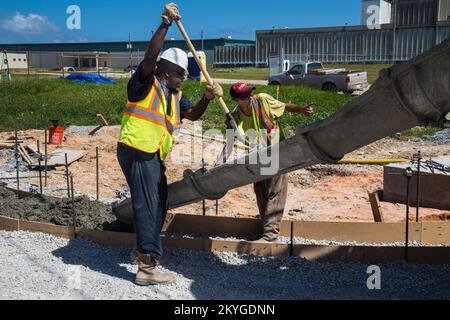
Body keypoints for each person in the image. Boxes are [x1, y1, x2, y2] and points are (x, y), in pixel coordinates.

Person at [117, 3, 223, 286]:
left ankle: (144, 250)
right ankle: (146, 266)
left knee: (160, 201)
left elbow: (193, 115)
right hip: (136, 150)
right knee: (147, 204)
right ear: (166, 70)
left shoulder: (176, 95)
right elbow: (150, 56)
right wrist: (165, 23)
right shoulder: (145, 83)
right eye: (181, 73)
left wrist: (208, 99)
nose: (184, 78)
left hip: (151, 155)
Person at [229, 82, 313, 242]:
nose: (248, 98)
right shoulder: (237, 112)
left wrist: (302, 109)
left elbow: (284, 106)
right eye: (243, 97)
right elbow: (231, 129)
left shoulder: (262, 99)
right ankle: (265, 230)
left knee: (276, 190)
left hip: (276, 151)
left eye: (248, 94)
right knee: (261, 190)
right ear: (236, 100)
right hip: (257, 154)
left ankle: (270, 234)